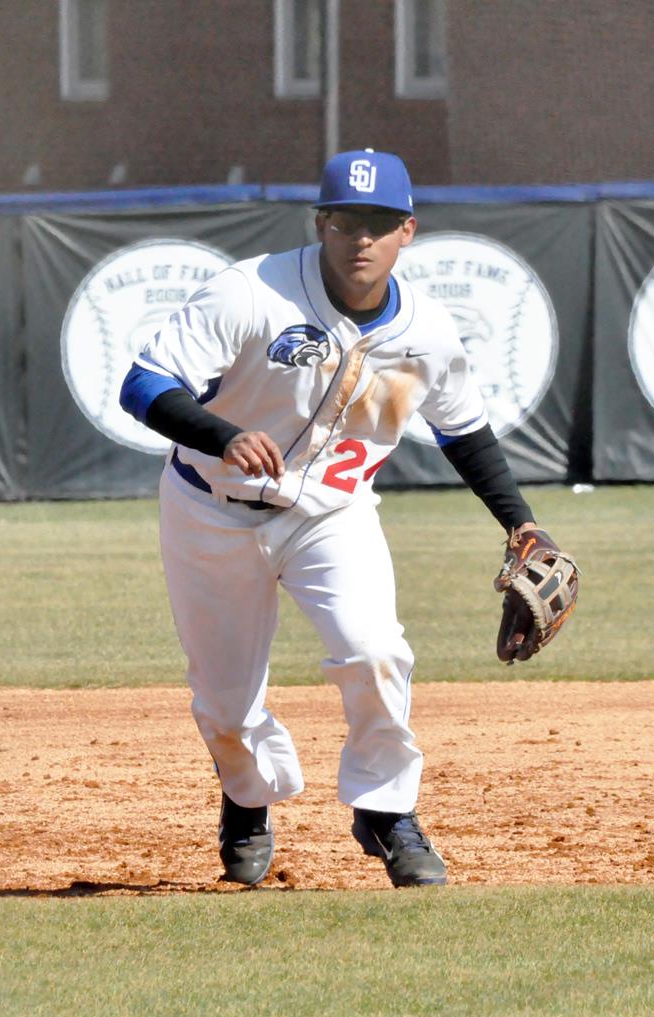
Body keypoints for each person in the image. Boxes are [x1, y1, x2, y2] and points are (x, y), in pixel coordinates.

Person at [118, 149, 541, 888]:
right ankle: (247, 795)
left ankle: (386, 810)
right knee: (225, 705)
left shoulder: (427, 332)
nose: (361, 238)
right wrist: (222, 435)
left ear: (408, 230)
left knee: (375, 651)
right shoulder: (251, 292)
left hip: (331, 515)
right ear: (321, 223)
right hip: (209, 510)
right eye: (347, 221)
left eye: (379, 222)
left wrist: (521, 523)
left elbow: (464, 432)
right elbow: (144, 384)